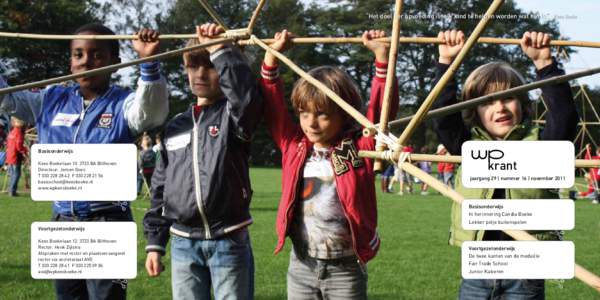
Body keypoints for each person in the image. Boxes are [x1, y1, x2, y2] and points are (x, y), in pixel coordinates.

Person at [0, 23, 168, 299]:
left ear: (115, 62)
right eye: (78, 54)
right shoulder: (49, 100)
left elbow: (151, 113)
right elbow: (6, 100)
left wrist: (148, 62)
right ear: (70, 61)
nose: (85, 61)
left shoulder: (124, 105)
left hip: (108, 222)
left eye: (96, 55)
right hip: (63, 221)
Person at [431, 29, 578, 299]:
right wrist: (447, 64)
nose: (499, 107)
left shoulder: (542, 145)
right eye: (486, 101)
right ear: (474, 110)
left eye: (508, 97)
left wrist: (544, 63)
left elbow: (564, 116)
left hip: (526, 272)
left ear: (523, 104)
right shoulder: (467, 146)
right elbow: (442, 116)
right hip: (478, 270)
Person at [260, 29, 398, 299]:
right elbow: (273, 107)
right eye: (304, 113)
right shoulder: (294, 145)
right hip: (301, 264)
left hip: (345, 269)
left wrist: (382, 59)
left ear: (343, 112)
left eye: (322, 114)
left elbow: (382, 114)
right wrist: (270, 58)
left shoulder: (359, 148)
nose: (311, 123)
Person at [143, 23, 263, 300]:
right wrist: (154, 243)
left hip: (229, 239)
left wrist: (220, 49)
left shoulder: (235, 117)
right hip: (183, 243)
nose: (199, 74)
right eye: (192, 66)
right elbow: (161, 187)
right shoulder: (175, 126)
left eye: (209, 66)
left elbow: (246, 99)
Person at [5, 116, 28, 196]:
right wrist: (24, 151)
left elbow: (8, 143)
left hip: (10, 155)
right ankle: (12, 191)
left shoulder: (12, 132)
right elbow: (19, 145)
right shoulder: (18, 132)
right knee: (16, 174)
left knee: (12, 174)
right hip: (15, 156)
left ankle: (10, 190)